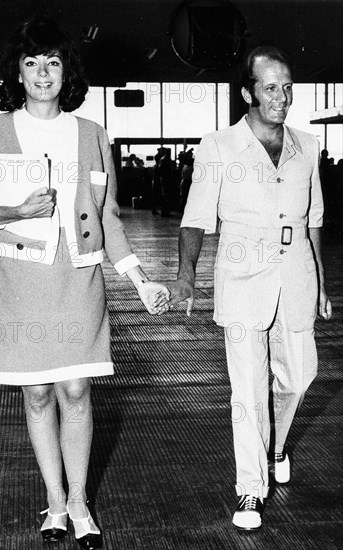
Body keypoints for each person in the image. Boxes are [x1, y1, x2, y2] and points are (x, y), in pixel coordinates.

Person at [0, 17, 169, 549]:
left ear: (66, 71)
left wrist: (139, 280)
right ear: (18, 74)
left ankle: (79, 501)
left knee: (76, 390)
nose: (43, 73)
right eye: (31, 63)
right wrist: (12, 209)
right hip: (20, 282)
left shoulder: (93, 135)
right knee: (35, 394)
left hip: (78, 280)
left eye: (52, 62)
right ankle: (54, 498)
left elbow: (109, 216)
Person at [169, 46, 332, 531]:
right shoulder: (218, 146)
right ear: (247, 93)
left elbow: (314, 220)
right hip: (241, 279)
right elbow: (195, 220)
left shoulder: (307, 146)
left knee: (299, 376)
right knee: (248, 392)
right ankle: (249, 489)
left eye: (286, 87)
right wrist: (185, 275)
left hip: (297, 274)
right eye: (269, 88)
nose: (281, 97)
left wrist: (321, 280)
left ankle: (277, 444)